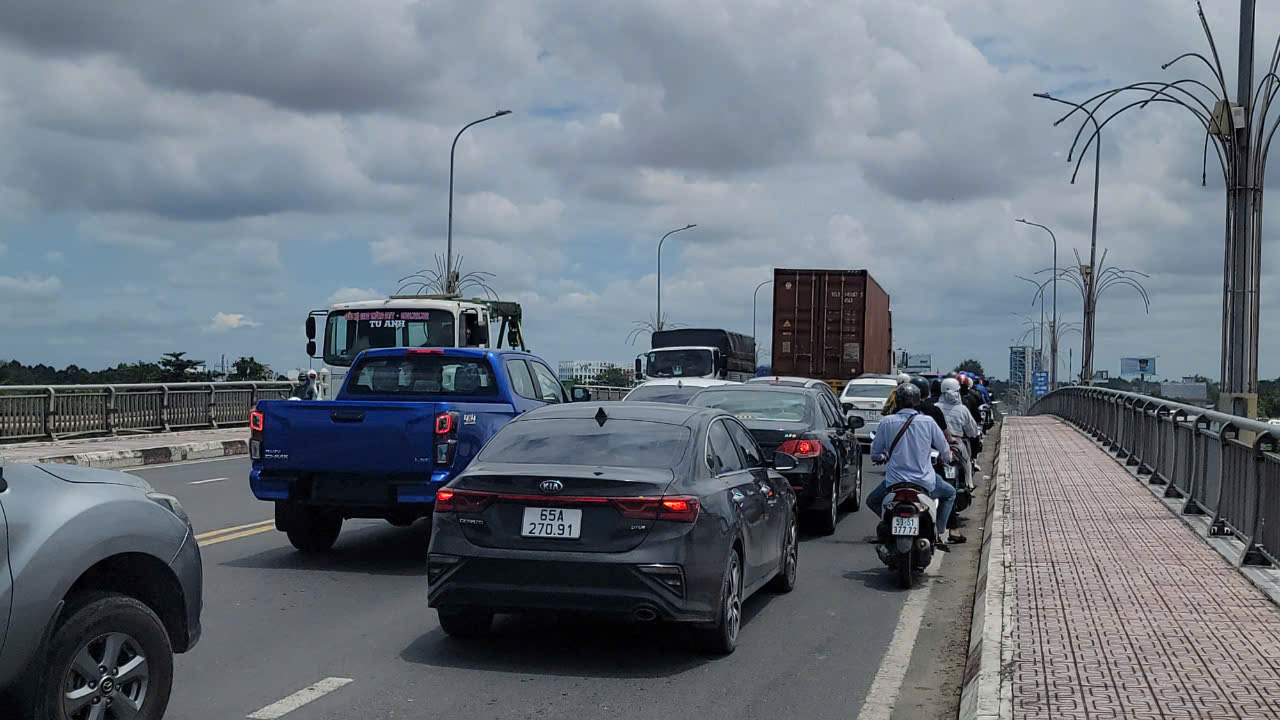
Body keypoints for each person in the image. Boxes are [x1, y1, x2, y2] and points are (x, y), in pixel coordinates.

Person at [866, 383, 965, 548]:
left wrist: (883, 457)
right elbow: (945, 451)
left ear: (897, 401)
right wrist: (944, 458)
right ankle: (939, 532)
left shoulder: (887, 422)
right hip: (924, 481)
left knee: (872, 501)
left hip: (894, 483)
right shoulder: (928, 421)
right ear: (918, 401)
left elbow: (875, 454)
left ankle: (889, 523)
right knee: (949, 494)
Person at [939, 378, 981, 484]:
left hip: (938, 442)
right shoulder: (962, 409)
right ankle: (969, 484)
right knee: (966, 462)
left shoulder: (935, 408)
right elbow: (972, 431)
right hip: (957, 441)